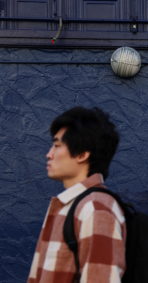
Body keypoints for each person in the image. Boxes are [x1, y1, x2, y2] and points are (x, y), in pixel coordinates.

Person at [28, 107, 125, 283]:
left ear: (82, 154)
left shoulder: (95, 208)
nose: (48, 154)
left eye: (57, 145)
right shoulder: (69, 205)